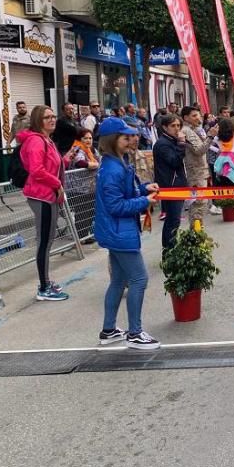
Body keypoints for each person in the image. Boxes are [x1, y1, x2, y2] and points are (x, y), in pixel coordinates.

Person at [93, 117, 161, 350]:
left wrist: (143, 189)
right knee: (139, 279)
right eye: (125, 137)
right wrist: (144, 200)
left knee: (119, 280)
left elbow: (125, 194)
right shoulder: (113, 168)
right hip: (120, 232)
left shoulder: (117, 163)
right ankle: (135, 332)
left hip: (117, 231)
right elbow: (116, 206)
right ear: (113, 140)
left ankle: (109, 329)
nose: (131, 139)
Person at [17, 106, 68, 302]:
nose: (52, 119)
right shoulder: (36, 141)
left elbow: (51, 166)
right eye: (47, 117)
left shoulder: (46, 140)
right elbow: (36, 170)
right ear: (39, 120)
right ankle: (44, 287)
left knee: (47, 241)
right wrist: (57, 184)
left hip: (48, 195)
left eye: (54, 116)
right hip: (42, 196)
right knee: (44, 242)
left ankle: (46, 281)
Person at [153, 114, 188, 255]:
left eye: (178, 125)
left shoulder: (171, 141)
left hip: (177, 185)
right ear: (165, 127)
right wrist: (181, 144)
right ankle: (169, 252)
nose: (176, 128)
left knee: (174, 220)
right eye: (173, 126)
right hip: (171, 187)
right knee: (172, 221)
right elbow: (174, 161)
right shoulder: (162, 144)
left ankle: (172, 249)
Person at [181, 105, 214, 223]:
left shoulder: (195, 130)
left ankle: (197, 234)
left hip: (201, 172)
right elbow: (199, 150)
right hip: (196, 175)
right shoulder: (186, 131)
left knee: (200, 205)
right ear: (186, 118)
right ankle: (196, 236)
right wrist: (210, 136)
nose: (197, 118)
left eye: (198, 115)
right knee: (198, 205)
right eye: (194, 116)